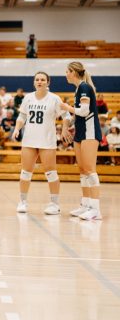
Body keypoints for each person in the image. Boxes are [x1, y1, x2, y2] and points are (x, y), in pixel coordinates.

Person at [12, 72, 70, 215]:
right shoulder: (28, 98)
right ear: (34, 82)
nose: (39, 82)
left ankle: (54, 204)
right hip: (29, 140)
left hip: (47, 140)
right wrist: (17, 129)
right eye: (37, 79)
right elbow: (22, 115)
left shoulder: (55, 99)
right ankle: (23, 202)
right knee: (25, 173)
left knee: (51, 173)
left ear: (48, 82)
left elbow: (66, 115)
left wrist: (64, 129)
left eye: (43, 80)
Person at [61, 61, 103, 220]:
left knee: (90, 169)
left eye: (67, 71)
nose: (65, 74)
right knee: (83, 170)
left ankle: (96, 209)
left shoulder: (85, 87)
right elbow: (78, 114)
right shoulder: (79, 89)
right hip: (80, 132)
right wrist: (68, 122)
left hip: (90, 132)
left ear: (73, 72)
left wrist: (66, 107)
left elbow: (84, 111)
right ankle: (86, 205)